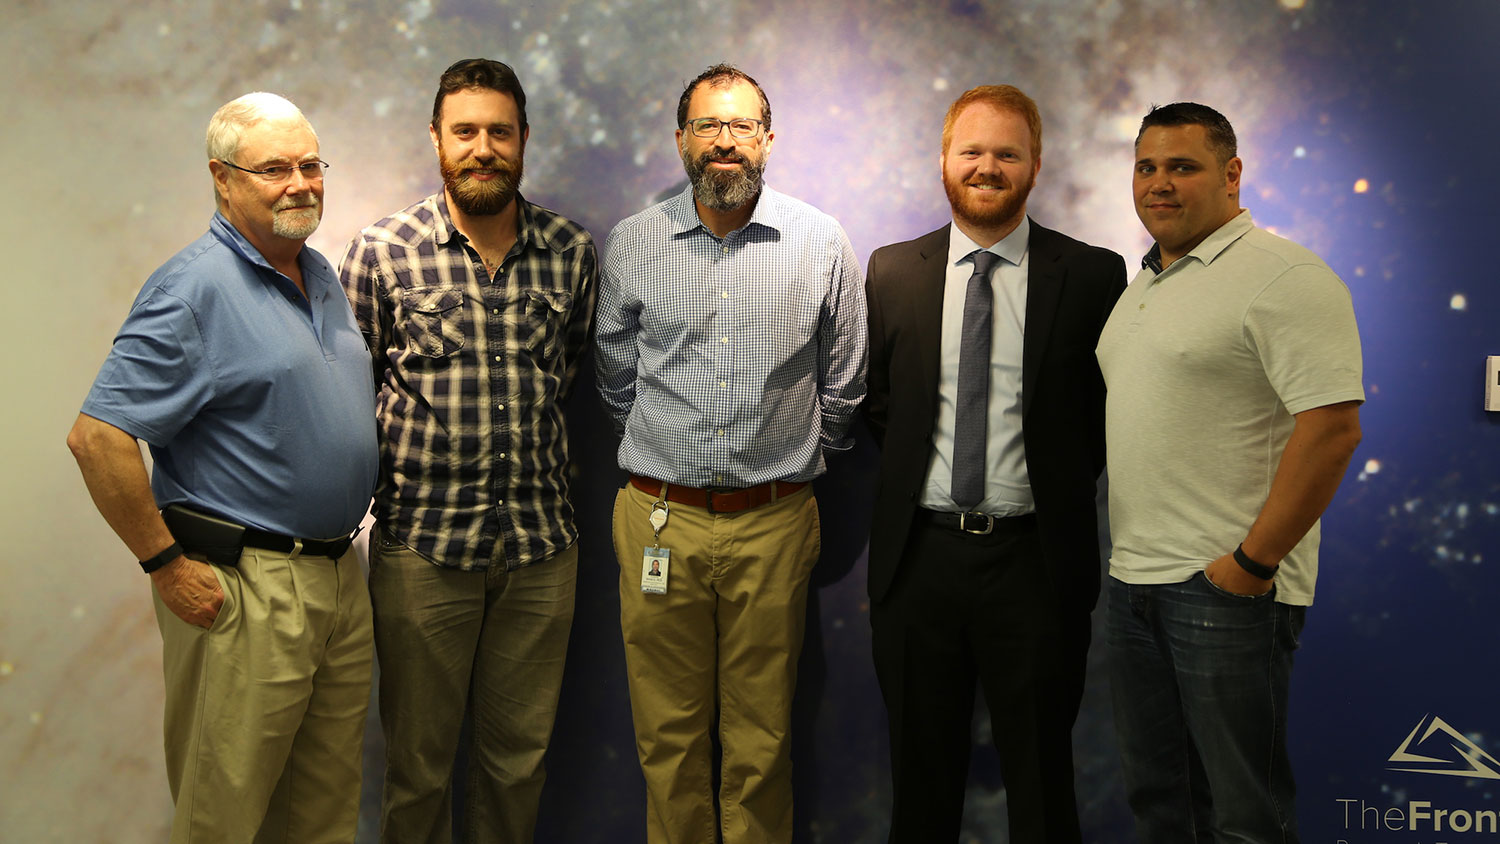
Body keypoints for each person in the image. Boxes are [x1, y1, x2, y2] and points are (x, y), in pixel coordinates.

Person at [66, 92, 377, 844]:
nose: (301, 183)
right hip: (249, 588)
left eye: (311, 165)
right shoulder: (191, 291)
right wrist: (165, 564)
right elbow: (96, 437)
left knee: (326, 811)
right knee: (224, 816)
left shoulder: (319, 273)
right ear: (223, 178)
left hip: (339, 578)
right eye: (275, 169)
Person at [594, 63, 867, 844]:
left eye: (741, 126)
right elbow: (615, 381)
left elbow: (844, 387)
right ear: (682, 139)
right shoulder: (635, 244)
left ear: (768, 140)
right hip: (659, 523)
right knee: (666, 736)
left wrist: (793, 462)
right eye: (708, 126)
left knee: (762, 739)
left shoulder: (820, 242)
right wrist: (666, 464)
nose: (725, 142)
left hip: (774, 524)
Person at [338, 58, 597, 844]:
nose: (483, 148)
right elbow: (349, 394)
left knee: (518, 764)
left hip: (541, 552)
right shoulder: (382, 252)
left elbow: (572, 374)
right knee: (418, 770)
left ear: (523, 140)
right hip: (423, 551)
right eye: (466, 132)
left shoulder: (571, 252)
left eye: (500, 132)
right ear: (437, 139)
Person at [863, 84, 1126, 843]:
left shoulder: (1092, 275)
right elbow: (882, 407)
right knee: (921, 787)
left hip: (1036, 565)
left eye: (1006, 153)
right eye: (971, 151)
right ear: (944, 160)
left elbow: (1104, 416)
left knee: (1043, 786)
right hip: (918, 564)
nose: (987, 166)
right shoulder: (891, 272)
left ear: (1035, 165)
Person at [1097, 102, 1363, 843]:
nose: (1160, 184)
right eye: (1147, 167)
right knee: (1164, 806)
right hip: (1134, 586)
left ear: (1231, 174)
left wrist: (1250, 564)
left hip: (1225, 593)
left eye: (1182, 166)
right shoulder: (1143, 284)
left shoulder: (1284, 275)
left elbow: (1334, 430)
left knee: (1247, 818)